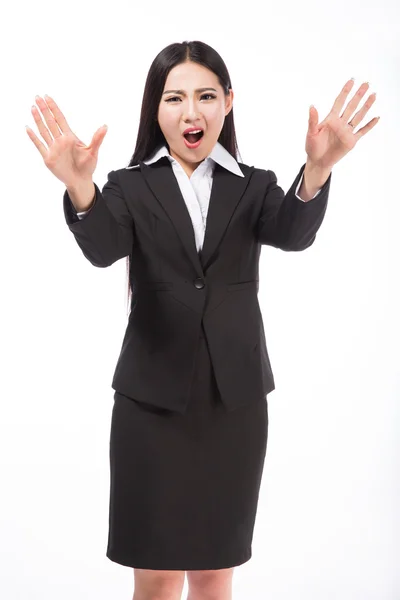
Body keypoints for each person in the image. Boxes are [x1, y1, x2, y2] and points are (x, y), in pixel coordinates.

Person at [26, 40, 379, 600]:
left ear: (228, 102)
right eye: (175, 98)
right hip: (151, 405)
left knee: (216, 576)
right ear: (156, 109)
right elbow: (103, 246)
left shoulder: (255, 185)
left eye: (206, 96)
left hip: (232, 407)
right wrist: (80, 188)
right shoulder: (128, 186)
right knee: (158, 577)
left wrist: (314, 172)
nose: (192, 112)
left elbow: (293, 232)